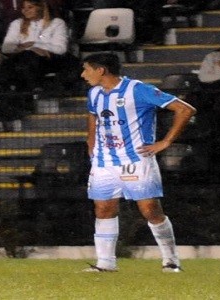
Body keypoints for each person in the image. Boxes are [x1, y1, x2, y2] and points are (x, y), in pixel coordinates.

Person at [81, 53, 196, 272]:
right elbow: (93, 120)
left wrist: (166, 142)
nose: (83, 75)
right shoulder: (94, 93)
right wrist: (92, 149)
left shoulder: (138, 89)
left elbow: (185, 109)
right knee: (103, 208)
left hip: (136, 159)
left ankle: (171, 261)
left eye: (86, 69)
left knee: (150, 209)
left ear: (101, 70)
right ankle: (105, 264)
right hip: (104, 162)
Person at [0, 0, 70, 91]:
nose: (25, 11)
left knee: (29, 58)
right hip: (22, 59)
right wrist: (29, 49)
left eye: (30, 7)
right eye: (23, 8)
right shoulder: (17, 23)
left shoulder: (57, 23)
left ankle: (34, 89)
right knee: (23, 59)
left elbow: (61, 48)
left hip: (48, 59)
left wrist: (35, 45)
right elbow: (6, 48)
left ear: (41, 7)